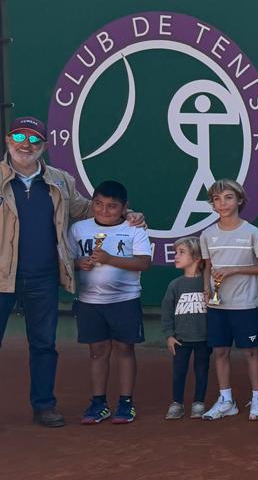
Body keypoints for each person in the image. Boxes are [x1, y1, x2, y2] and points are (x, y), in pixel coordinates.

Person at [2, 115, 113, 426]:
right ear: (8, 141)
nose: (26, 145)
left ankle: (44, 406)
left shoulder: (60, 180)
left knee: (43, 345)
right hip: (1, 277)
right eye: (20, 138)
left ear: (45, 146)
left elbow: (82, 208)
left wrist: (127, 214)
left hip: (43, 276)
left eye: (34, 140)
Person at [70, 180, 152, 425]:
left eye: (112, 207)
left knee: (124, 349)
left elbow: (143, 263)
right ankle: (98, 402)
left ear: (124, 207)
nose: (104, 211)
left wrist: (109, 259)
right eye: (98, 204)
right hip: (89, 302)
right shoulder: (78, 229)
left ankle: (125, 402)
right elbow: (68, 259)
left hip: (124, 301)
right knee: (97, 352)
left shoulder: (134, 228)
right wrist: (78, 263)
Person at [199, 179, 258, 422]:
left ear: (239, 200)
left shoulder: (253, 233)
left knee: (250, 351)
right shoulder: (207, 235)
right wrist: (206, 290)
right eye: (217, 199)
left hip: (244, 305)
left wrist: (233, 270)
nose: (223, 203)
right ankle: (226, 400)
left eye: (228, 197)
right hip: (217, 306)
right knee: (220, 352)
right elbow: (207, 267)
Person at [161, 238, 211, 420]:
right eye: (176, 252)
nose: (176, 256)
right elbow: (166, 312)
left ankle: (199, 402)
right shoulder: (175, 285)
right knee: (179, 371)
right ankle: (177, 403)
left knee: (202, 370)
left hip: (204, 339)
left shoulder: (208, 284)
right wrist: (169, 335)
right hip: (180, 339)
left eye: (182, 252)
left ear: (197, 257)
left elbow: (215, 309)